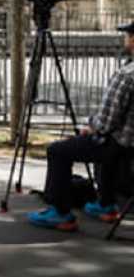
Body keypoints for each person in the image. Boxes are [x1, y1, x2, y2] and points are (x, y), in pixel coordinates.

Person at [28, 22, 134, 231]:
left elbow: (106, 122)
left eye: (128, 35)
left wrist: (90, 127)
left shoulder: (127, 75)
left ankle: (60, 213)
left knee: (58, 151)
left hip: (120, 144)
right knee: (108, 145)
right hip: (128, 146)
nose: (126, 39)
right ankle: (106, 205)